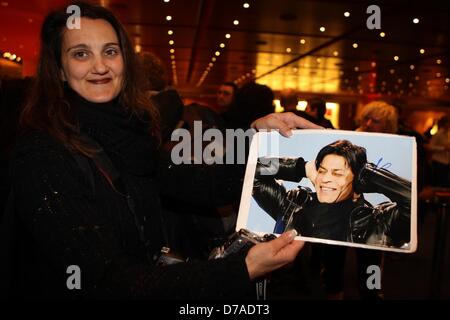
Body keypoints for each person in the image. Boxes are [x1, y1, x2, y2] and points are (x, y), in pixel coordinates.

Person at [0, 2, 321, 299]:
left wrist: (258, 142)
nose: (100, 66)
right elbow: (107, 280)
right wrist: (243, 269)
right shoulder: (41, 153)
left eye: (110, 51)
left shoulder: (131, 133)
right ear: (58, 68)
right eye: (81, 54)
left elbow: (201, 184)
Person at [252, 140, 411, 246]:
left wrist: (367, 174)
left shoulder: (378, 221)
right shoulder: (293, 203)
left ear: (358, 180)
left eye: (337, 173)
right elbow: (253, 171)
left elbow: (412, 201)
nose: (326, 179)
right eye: (322, 171)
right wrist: (301, 167)